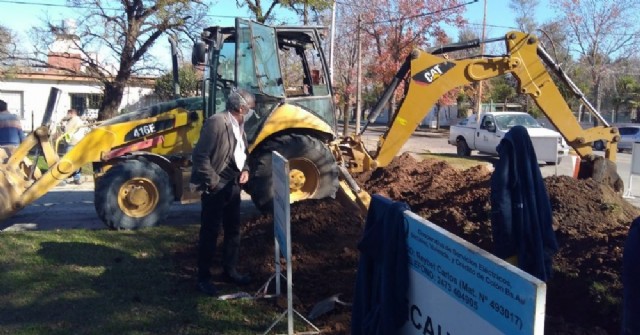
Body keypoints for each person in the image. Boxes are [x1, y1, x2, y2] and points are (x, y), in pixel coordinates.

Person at [190, 88, 255, 296]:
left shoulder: (240, 124)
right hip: (215, 186)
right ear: (240, 107)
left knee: (233, 230)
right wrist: (214, 182)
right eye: (250, 108)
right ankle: (203, 278)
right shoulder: (216, 122)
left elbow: (241, 152)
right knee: (210, 232)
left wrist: (245, 170)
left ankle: (230, 270)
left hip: (233, 185)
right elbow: (200, 157)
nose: (252, 111)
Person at [61, 108, 86, 184]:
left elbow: (67, 130)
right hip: (78, 142)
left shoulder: (73, 120)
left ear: (71, 113)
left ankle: (63, 178)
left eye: (68, 113)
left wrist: (63, 125)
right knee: (76, 160)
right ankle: (77, 178)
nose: (67, 115)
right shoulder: (78, 120)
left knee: (68, 160)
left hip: (72, 142)